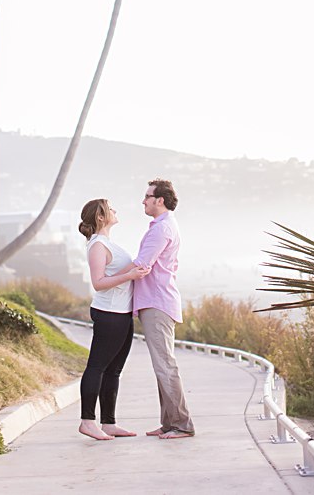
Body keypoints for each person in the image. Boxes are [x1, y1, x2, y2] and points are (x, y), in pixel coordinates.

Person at [77, 198, 150, 441]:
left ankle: (109, 423)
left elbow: (113, 275)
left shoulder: (106, 243)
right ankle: (88, 421)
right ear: (100, 216)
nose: (115, 210)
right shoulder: (97, 245)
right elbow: (98, 284)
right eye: (110, 208)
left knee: (114, 371)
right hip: (109, 314)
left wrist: (132, 274)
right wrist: (130, 274)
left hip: (121, 312)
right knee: (97, 367)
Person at [133, 178, 195, 439]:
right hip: (156, 301)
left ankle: (182, 424)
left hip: (157, 302)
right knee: (162, 365)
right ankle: (169, 422)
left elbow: (142, 264)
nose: (143, 201)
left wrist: (107, 272)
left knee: (165, 365)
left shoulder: (161, 229)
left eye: (147, 196)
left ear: (160, 200)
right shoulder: (163, 225)